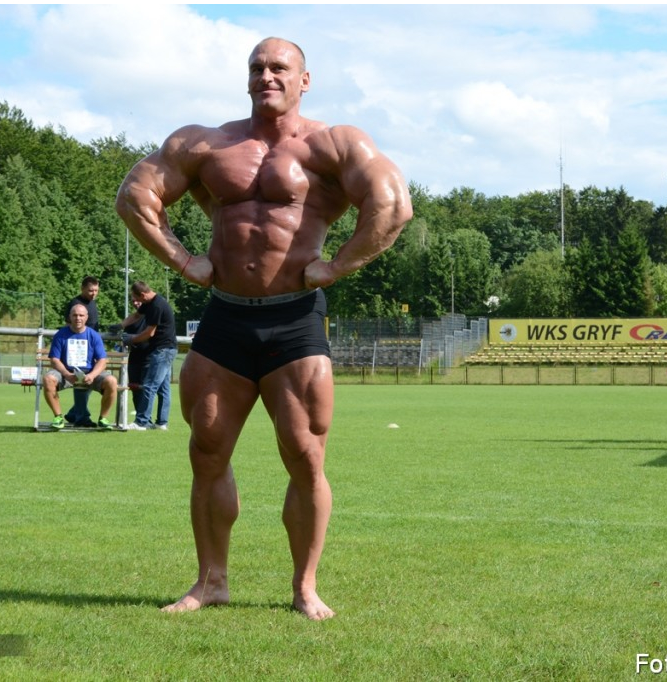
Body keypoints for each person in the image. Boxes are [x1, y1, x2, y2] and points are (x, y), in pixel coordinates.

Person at [115, 37, 412, 620]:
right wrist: (182, 260)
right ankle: (211, 582)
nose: (267, 75)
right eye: (257, 67)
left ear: (305, 80)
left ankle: (305, 587)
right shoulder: (205, 144)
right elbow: (136, 193)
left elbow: (391, 202)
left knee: (305, 456)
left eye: (280, 67)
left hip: (295, 321)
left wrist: (338, 265)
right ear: (246, 78)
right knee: (206, 450)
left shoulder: (332, 143)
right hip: (224, 317)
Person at [42, 303, 118, 431]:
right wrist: (67, 374)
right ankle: (58, 417)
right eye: (75, 315)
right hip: (66, 374)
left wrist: (93, 375)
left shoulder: (94, 335)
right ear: (70, 317)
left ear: (86, 317)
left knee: (112, 381)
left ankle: (103, 419)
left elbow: (102, 360)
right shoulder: (60, 334)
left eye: (81, 315)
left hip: (90, 373)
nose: (78, 318)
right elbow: (54, 360)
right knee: (48, 379)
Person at [120, 281, 177, 430]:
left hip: (162, 350)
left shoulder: (157, 305)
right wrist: (121, 325)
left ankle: (141, 421)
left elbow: (149, 333)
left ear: (143, 295)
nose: (137, 302)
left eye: (137, 298)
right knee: (163, 388)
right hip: (165, 349)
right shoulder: (150, 303)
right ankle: (161, 423)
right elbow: (136, 316)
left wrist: (130, 339)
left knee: (150, 385)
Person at [63, 276, 101, 428]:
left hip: (92, 347)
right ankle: (82, 416)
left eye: (96, 290)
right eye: (90, 290)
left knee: (89, 381)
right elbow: (70, 326)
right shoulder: (76, 304)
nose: (94, 294)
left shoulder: (92, 303)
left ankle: (74, 413)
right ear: (82, 289)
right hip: (79, 348)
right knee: (81, 379)